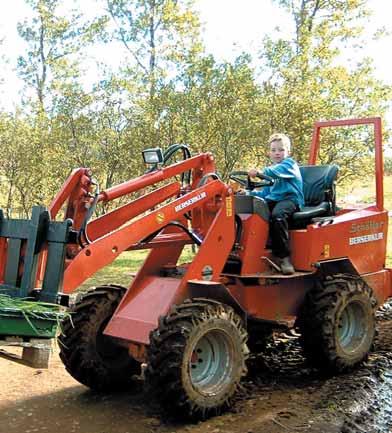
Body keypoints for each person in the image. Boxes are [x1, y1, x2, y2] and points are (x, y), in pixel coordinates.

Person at [248, 133, 304, 275]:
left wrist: (260, 172)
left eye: (281, 150)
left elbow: (275, 172)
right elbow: (265, 195)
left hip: (290, 200)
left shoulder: (289, 165)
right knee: (252, 212)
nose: (277, 153)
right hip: (273, 199)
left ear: (288, 152)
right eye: (273, 150)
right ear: (269, 153)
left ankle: (284, 257)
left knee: (278, 216)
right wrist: (249, 194)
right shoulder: (270, 173)